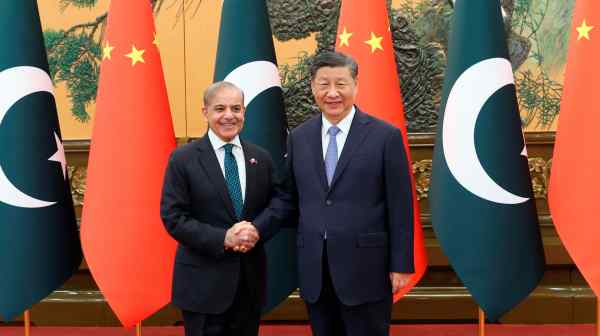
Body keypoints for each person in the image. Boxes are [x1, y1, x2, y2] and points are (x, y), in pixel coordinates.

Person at [251, 51, 415, 336]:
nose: (332, 93)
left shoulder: (385, 136)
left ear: (355, 86)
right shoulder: (299, 137)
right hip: (316, 270)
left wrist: (400, 265)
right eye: (324, 84)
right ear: (313, 87)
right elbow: (288, 200)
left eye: (341, 84)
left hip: (367, 269)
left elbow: (400, 206)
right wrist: (255, 229)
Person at [160, 81, 270, 336]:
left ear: (244, 112)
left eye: (236, 108)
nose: (229, 115)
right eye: (220, 108)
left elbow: (279, 204)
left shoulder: (260, 158)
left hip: (249, 286)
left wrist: (255, 230)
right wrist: (225, 238)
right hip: (202, 288)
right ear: (205, 112)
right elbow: (173, 217)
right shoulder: (183, 158)